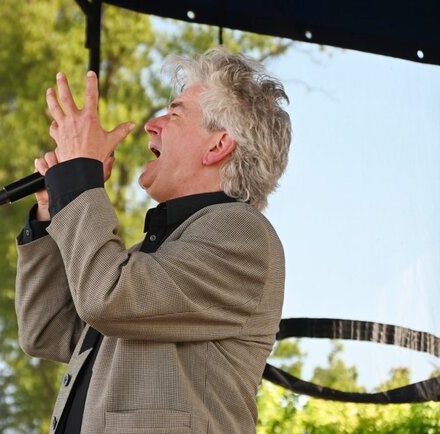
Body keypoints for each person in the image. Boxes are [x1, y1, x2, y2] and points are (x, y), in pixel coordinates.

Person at [15, 46, 291, 434]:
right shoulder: (150, 258)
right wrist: (51, 209)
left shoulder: (243, 234)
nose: (152, 125)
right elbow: (48, 331)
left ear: (217, 146)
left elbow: (105, 296)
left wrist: (79, 179)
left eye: (174, 114)